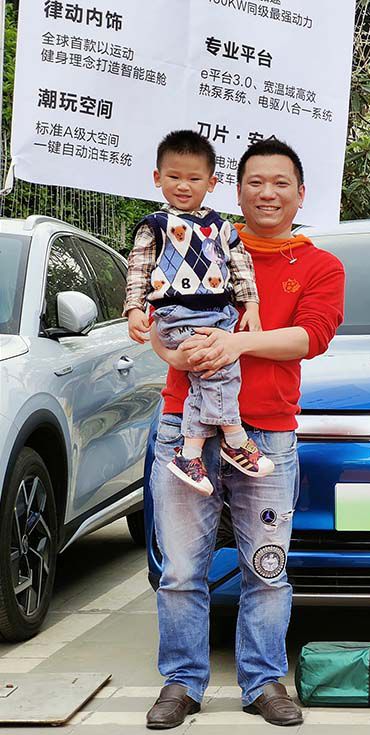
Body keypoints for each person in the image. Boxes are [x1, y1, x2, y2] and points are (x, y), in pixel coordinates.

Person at [143, 139, 345, 730]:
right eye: (255, 182)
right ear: (237, 190)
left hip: (269, 435)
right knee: (182, 568)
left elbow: (311, 338)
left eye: (280, 183)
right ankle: (181, 682)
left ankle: (263, 681)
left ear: (300, 193)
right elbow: (160, 326)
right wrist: (183, 349)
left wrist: (235, 342)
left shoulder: (318, 265)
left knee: (266, 564)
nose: (267, 193)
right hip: (185, 425)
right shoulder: (194, 238)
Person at [124, 130, 273, 496]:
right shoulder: (155, 225)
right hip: (178, 313)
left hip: (220, 312)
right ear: (158, 178)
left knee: (210, 378)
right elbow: (138, 268)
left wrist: (250, 305)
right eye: (174, 176)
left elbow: (241, 267)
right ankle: (234, 438)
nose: (183, 185)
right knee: (218, 371)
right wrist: (133, 308)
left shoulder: (222, 228)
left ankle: (189, 453)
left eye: (193, 178)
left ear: (211, 182)